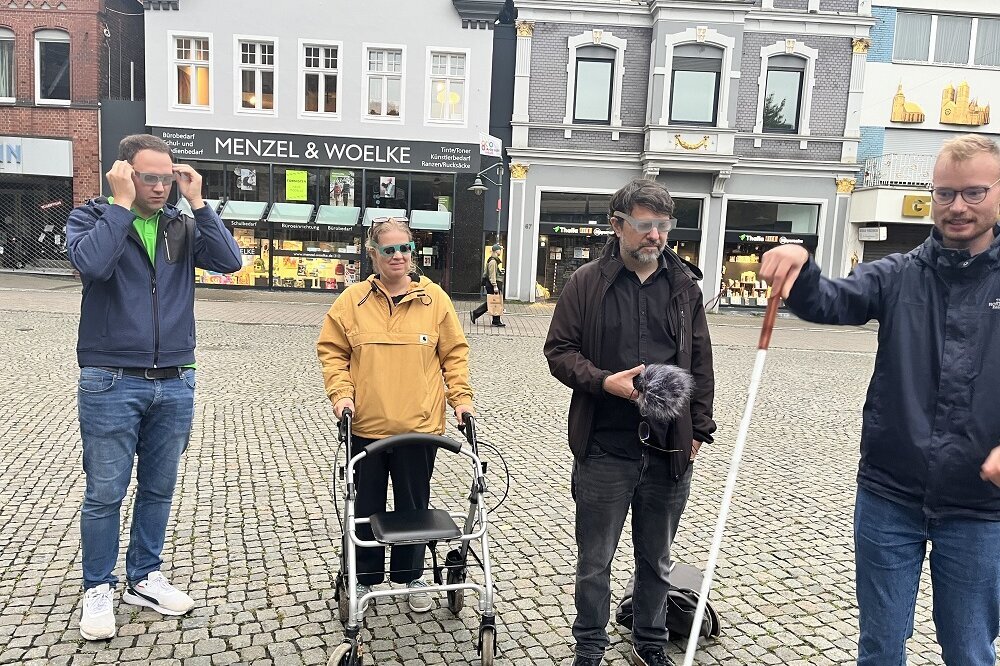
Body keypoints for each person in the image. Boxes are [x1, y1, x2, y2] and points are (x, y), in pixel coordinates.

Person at [759, 133, 1000, 666]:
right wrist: (801, 266)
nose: (956, 206)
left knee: (969, 651)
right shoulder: (898, 272)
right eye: (944, 193)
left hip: (981, 509)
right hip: (890, 494)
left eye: (974, 192)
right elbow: (833, 299)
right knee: (879, 648)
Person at [66, 134, 243, 640]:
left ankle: (143, 577)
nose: (161, 186)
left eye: (168, 176)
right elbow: (93, 265)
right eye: (150, 177)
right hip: (110, 377)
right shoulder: (91, 219)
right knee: (105, 492)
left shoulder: (181, 226)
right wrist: (120, 207)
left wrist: (201, 202)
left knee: (159, 488)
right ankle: (97, 586)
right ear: (124, 173)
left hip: (175, 378)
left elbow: (230, 262)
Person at [544, 179, 716, 666]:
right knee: (595, 563)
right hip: (605, 447)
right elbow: (559, 352)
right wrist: (603, 382)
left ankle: (650, 643)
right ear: (617, 225)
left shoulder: (683, 288)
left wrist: (699, 429)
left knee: (656, 561)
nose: (656, 236)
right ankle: (590, 647)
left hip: (668, 449)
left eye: (663, 226)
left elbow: (700, 360)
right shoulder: (586, 283)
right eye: (646, 226)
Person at [317, 217, 475, 614]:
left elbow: (453, 355)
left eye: (405, 248)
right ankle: (364, 579)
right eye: (389, 250)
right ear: (373, 255)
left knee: (412, 508)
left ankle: (411, 577)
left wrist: (461, 400)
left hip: (419, 429)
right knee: (366, 507)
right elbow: (333, 353)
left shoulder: (434, 299)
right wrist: (341, 396)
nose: (399, 256)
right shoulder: (351, 302)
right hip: (366, 427)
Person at [471, 243, 505, 327]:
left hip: (491, 284)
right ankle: (476, 313)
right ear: (496, 250)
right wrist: (495, 285)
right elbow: (492, 275)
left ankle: (496, 320)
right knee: (493, 302)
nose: (500, 251)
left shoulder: (493, 261)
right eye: (500, 249)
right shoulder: (493, 261)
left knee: (493, 302)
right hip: (492, 285)